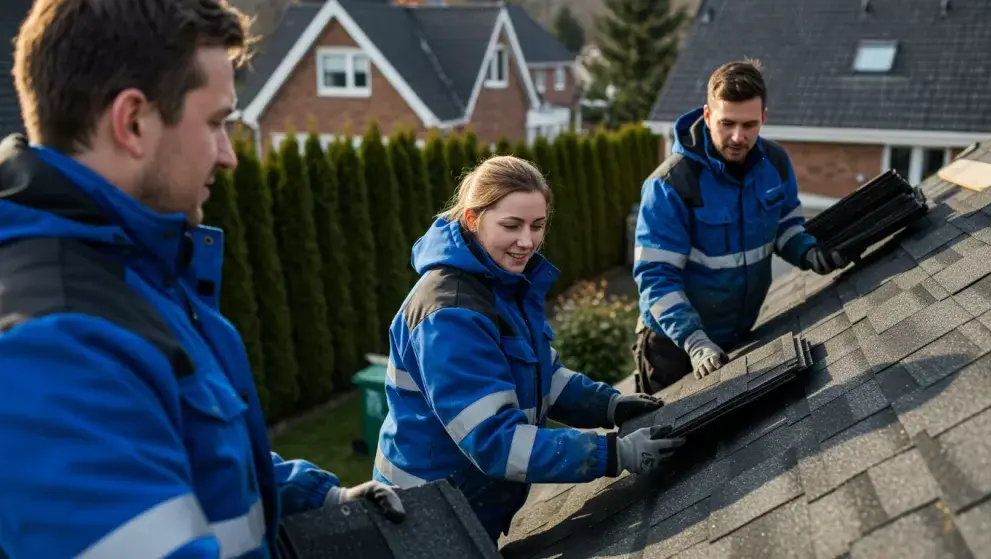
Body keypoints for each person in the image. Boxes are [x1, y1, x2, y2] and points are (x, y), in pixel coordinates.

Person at [0, 1, 402, 558]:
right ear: (133, 121)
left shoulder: (132, 274)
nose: (229, 155)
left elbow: (198, 452)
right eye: (216, 123)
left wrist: (318, 497)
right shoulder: (55, 347)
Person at [371, 155, 687, 542]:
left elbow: (543, 378)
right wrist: (612, 454)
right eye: (512, 225)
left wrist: (609, 405)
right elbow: (495, 441)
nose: (527, 241)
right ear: (472, 219)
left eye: (537, 226)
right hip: (423, 521)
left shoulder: (502, 284)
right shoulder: (449, 313)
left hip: (464, 507)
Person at [632, 59, 849, 394]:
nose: (738, 136)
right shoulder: (671, 185)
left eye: (749, 125)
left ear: (763, 117)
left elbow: (786, 228)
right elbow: (655, 277)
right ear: (707, 116)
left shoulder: (774, 163)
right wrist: (694, 340)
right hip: (673, 348)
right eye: (726, 123)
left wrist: (809, 252)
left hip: (738, 336)